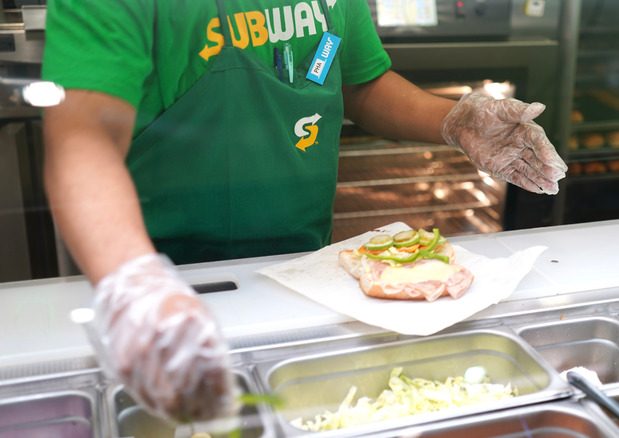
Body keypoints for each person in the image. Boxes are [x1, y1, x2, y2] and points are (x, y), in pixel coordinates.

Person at [41, 0, 567, 423]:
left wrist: (456, 120)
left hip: (301, 274)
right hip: (158, 285)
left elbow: (360, 82)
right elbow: (82, 138)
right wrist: (133, 286)